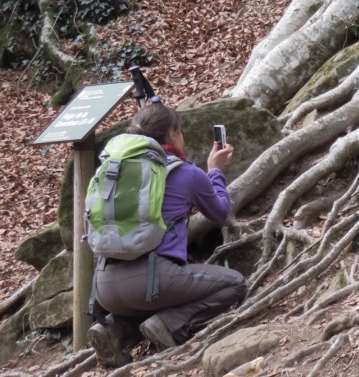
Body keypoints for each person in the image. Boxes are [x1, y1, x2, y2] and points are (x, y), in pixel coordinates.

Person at [87, 103, 247, 366]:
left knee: (150, 297)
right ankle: (168, 324)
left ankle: (111, 329)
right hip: (153, 282)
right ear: (173, 134)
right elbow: (220, 213)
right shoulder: (185, 173)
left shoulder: (112, 172)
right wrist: (215, 171)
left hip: (104, 286)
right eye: (180, 131)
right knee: (234, 283)